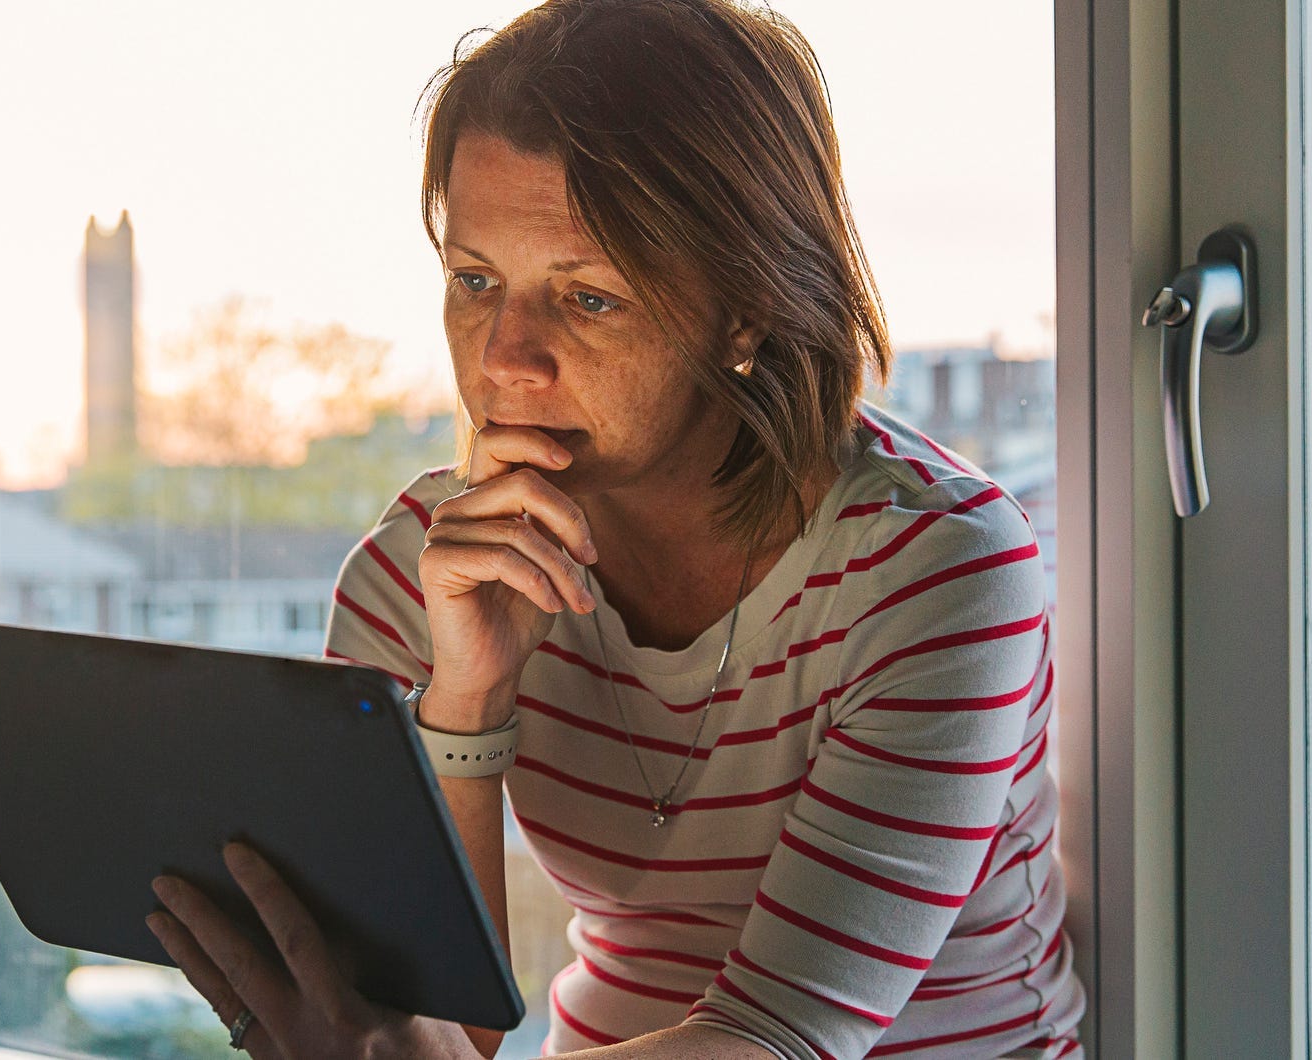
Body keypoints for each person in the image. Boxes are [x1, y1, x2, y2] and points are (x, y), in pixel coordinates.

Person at [144, 1, 1087, 1056]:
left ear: (747, 307)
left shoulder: (938, 570)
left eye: (587, 298)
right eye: (474, 281)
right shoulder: (427, 566)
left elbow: (771, 1040)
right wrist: (468, 702)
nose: (506, 358)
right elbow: (441, 1033)